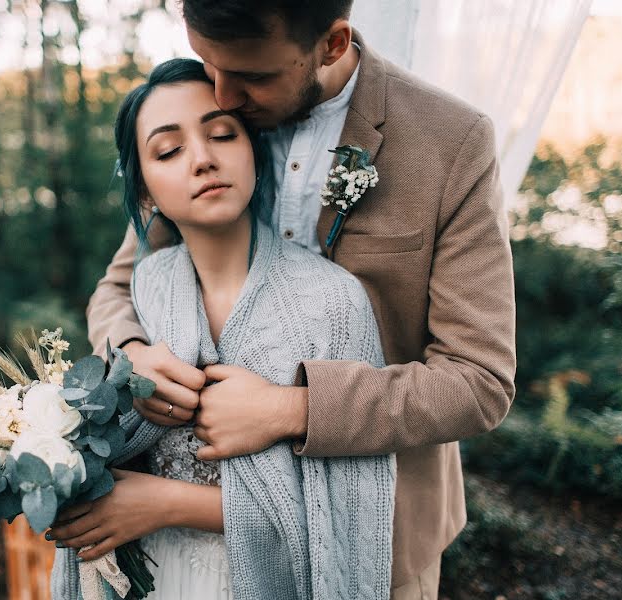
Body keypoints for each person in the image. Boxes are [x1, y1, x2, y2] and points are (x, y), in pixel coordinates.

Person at [85, 1, 517, 598]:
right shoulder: (209, 117)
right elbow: (120, 286)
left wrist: (293, 411)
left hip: (377, 525)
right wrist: (131, 352)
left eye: (254, 77)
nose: (227, 96)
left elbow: (479, 381)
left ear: (332, 45)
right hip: (197, 536)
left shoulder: (450, 142)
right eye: (211, 64)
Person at [49, 58, 395, 600]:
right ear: (145, 193)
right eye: (169, 150)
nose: (203, 159)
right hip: (156, 576)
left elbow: (347, 512)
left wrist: (164, 503)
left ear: (256, 155)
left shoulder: (333, 301)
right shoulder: (151, 288)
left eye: (222, 135)